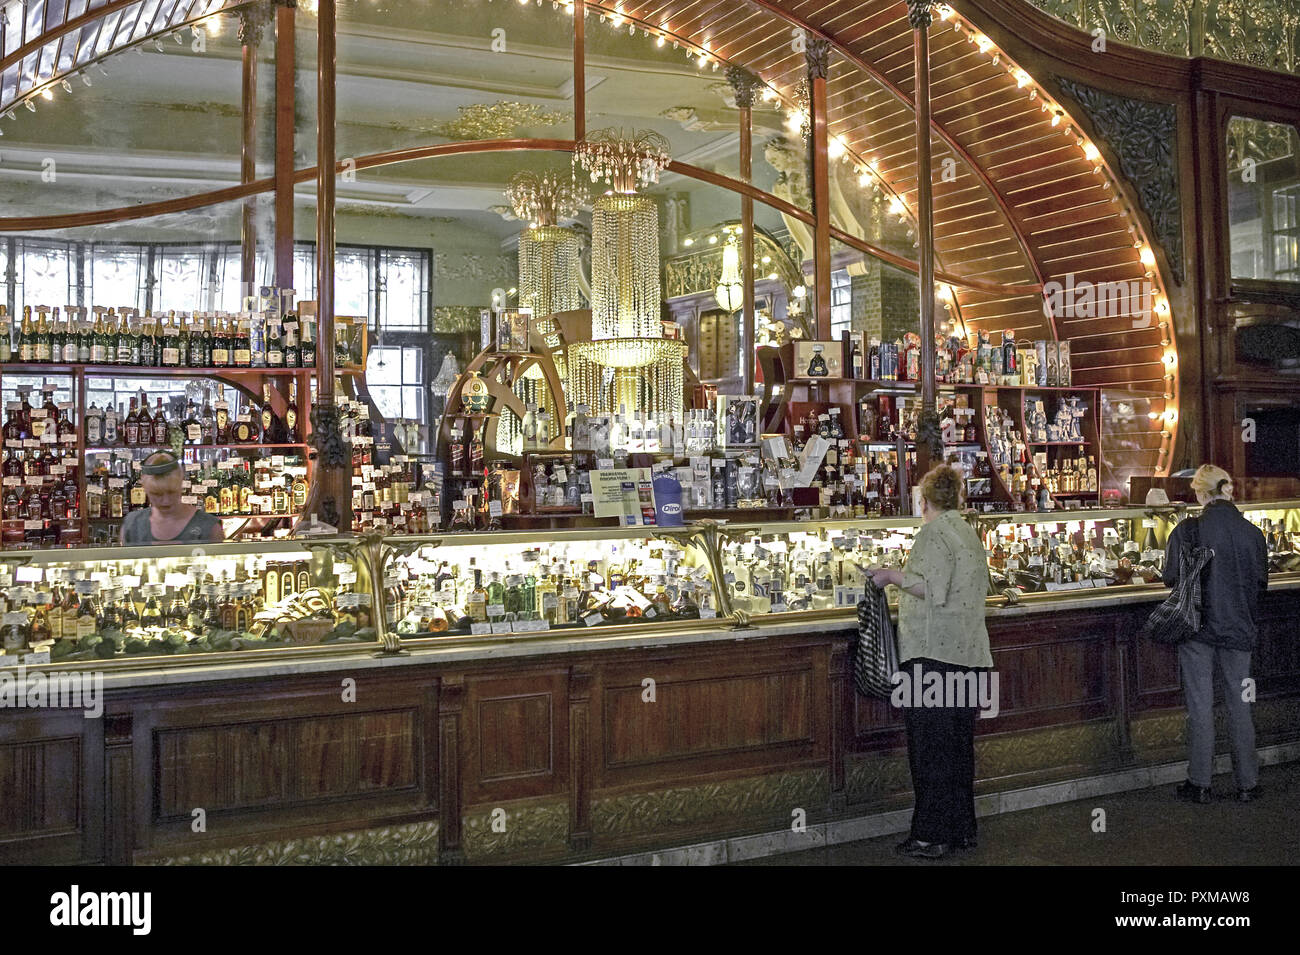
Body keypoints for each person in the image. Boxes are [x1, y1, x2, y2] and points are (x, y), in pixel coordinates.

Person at [862, 464, 993, 859]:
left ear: (923, 500)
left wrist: (889, 576)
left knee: (930, 750)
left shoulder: (933, 534)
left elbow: (932, 589)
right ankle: (962, 829)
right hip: (969, 653)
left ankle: (930, 834)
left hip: (933, 655)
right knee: (957, 749)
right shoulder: (967, 530)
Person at [1163, 464, 1267, 804]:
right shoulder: (1253, 533)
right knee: (1240, 705)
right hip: (1239, 629)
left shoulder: (1187, 530)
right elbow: (1261, 583)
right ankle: (1248, 784)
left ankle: (1201, 783)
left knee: (1200, 706)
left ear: (1202, 493)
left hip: (1197, 630)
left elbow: (1170, 578)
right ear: (1227, 491)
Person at [120, 451, 225, 545]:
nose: (166, 501)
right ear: (145, 489)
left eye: (171, 492)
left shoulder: (208, 526)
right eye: (157, 494)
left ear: (181, 483)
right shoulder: (132, 525)